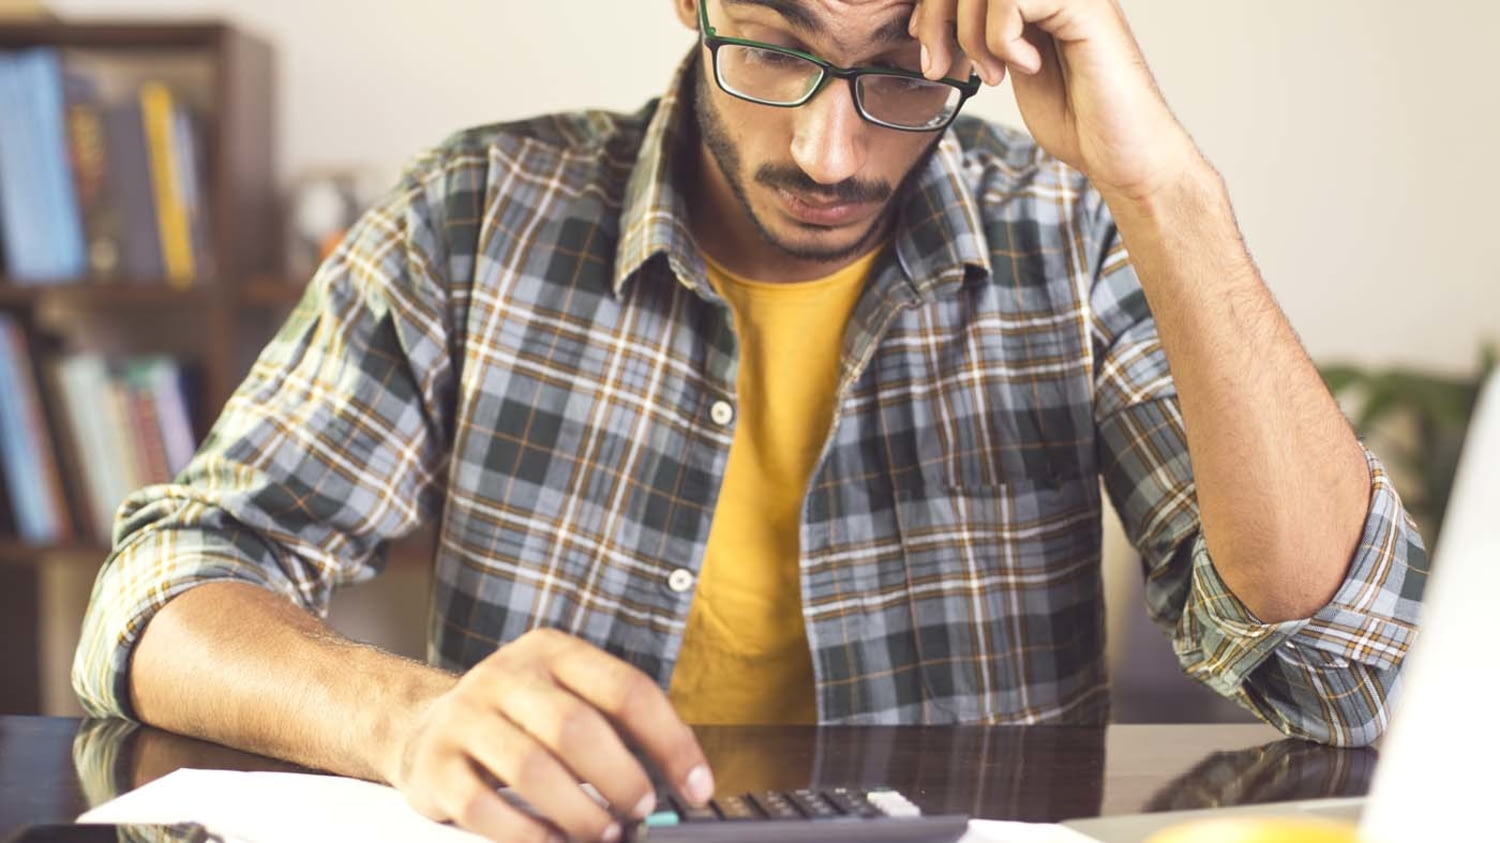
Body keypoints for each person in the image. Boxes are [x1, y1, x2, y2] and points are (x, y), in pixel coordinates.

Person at [73, 1, 1427, 841]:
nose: (831, 153)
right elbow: (162, 589)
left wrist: (1164, 186)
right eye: (778, 49)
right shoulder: (475, 216)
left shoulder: (1072, 237)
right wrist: (405, 721)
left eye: (897, 72)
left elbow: (1349, 672)